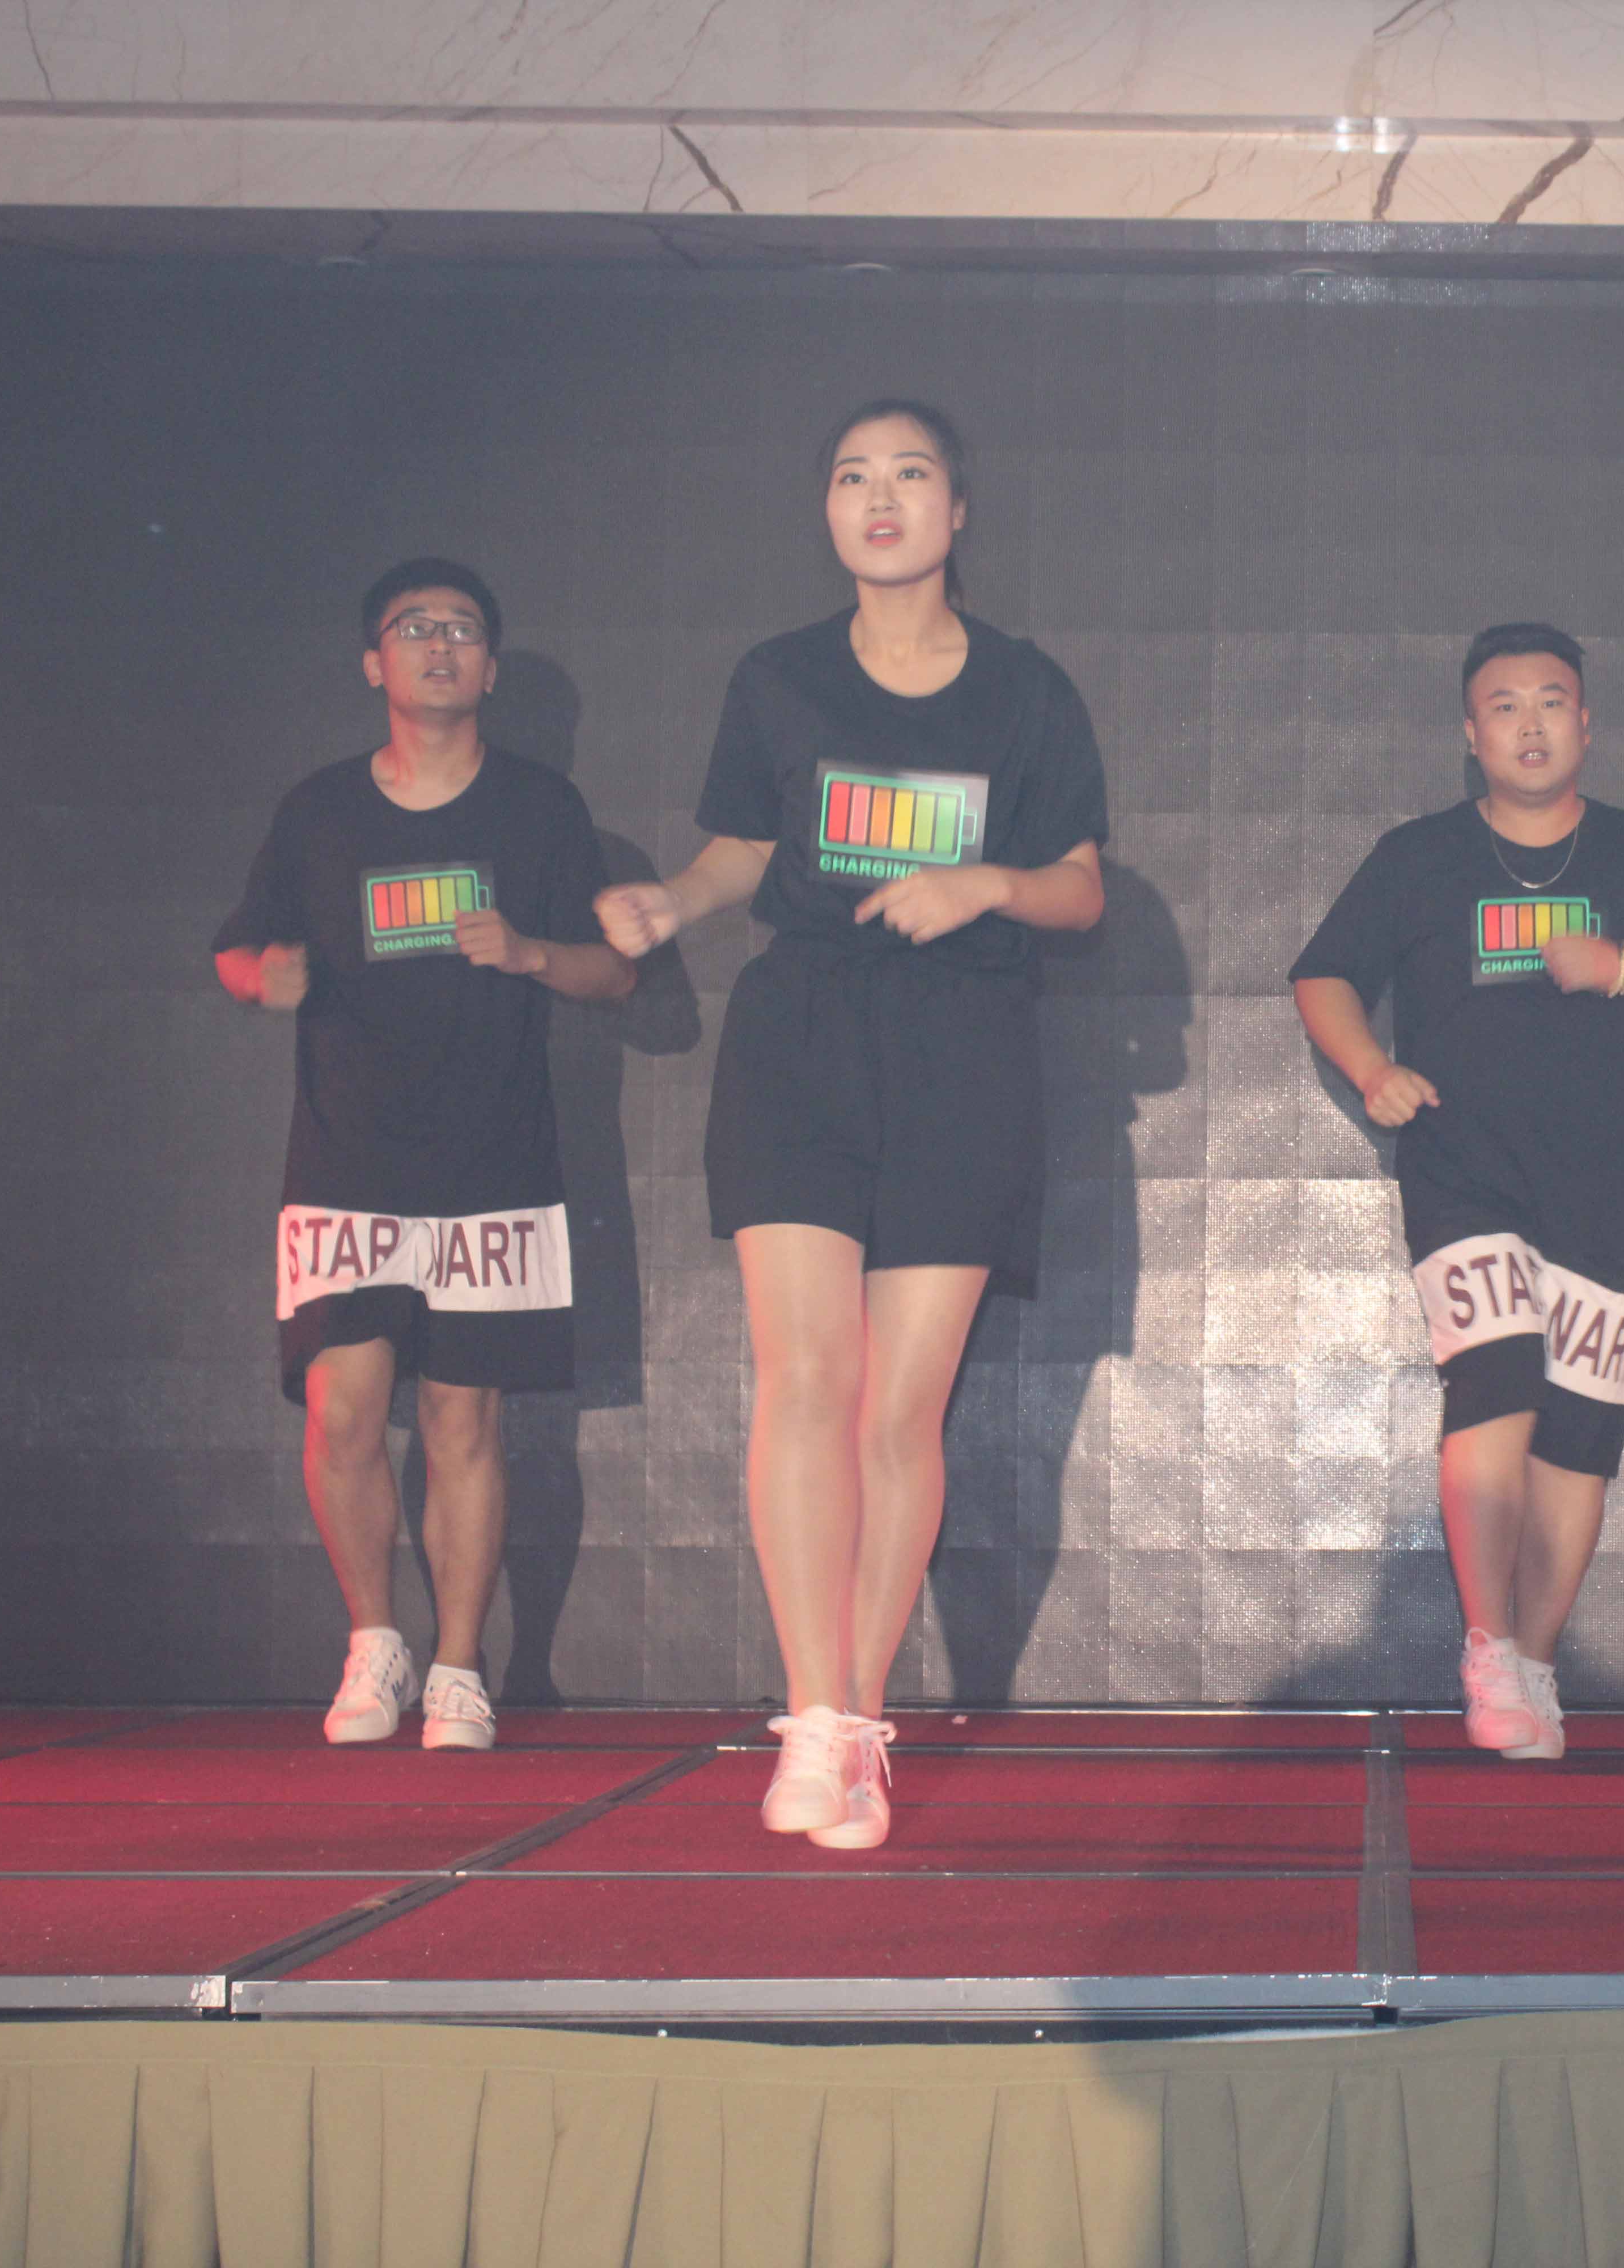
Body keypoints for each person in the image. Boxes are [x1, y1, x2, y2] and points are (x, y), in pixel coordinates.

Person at [595, 401, 1108, 1847]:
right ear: (829, 511)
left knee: (898, 1405)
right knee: (807, 1376)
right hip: (802, 1039)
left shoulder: (1026, 690)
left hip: (963, 1048)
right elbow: (744, 848)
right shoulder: (780, 678)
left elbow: (1081, 887)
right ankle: (813, 1715)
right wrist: (671, 902)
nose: (880, 498)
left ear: (959, 509)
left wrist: (983, 885)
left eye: (911, 474)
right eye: (852, 477)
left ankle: (861, 1716)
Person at [213, 559, 635, 1750]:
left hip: (492, 1160)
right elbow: (240, 950)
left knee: (464, 1421)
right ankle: (374, 1643)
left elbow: (618, 972)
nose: (440, 645)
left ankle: (457, 1666)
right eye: (415, 628)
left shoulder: (543, 809)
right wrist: (259, 979)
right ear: (374, 662)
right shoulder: (318, 811)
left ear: (490, 668)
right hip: (347, 1157)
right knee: (342, 1410)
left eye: (461, 630)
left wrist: (533, 953)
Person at [1291, 624, 1624, 1759]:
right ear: (1471, 733)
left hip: (1603, 1184)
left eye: (1550, 702)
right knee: (1492, 1383)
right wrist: (1373, 1071)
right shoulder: (1418, 857)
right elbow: (1324, 973)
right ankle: (1487, 1645)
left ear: (1585, 725)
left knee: (1579, 1435)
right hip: (1463, 1168)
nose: (1529, 724)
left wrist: (1622, 967)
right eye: (1504, 705)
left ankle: (1533, 1658)